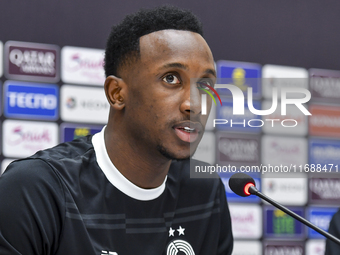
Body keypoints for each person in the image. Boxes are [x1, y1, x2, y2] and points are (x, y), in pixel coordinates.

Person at [0, 6, 233, 255]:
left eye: (205, 84)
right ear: (117, 93)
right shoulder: (37, 189)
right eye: (171, 79)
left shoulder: (205, 190)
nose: (194, 104)